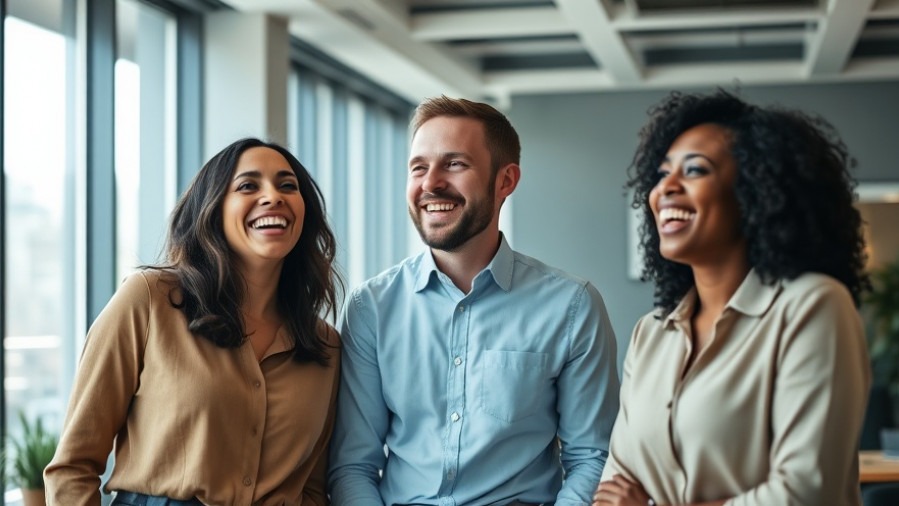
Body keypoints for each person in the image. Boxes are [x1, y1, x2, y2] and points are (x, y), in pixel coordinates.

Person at [327, 95, 620, 506]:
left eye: (455, 164)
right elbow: (352, 466)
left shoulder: (572, 306)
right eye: (418, 168)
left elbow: (591, 457)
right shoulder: (369, 308)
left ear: (505, 181)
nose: (430, 183)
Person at [593, 89, 871, 506]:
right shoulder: (649, 335)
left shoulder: (812, 307)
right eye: (662, 173)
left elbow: (806, 493)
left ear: (755, 194)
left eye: (696, 171)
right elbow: (615, 485)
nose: (665, 187)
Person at [44, 138, 343, 505]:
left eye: (288, 185)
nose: (273, 196)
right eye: (248, 185)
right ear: (213, 209)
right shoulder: (149, 300)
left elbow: (313, 486)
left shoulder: (324, 344)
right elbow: (72, 466)